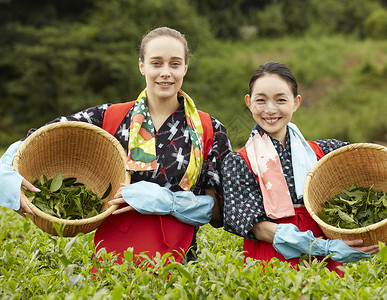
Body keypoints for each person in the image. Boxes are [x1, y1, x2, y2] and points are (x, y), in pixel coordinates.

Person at [0, 27, 231, 265]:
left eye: (174, 64)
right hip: (110, 260)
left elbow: (220, 207)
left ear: (185, 67)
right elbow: (42, 139)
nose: (165, 72)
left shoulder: (209, 129)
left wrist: (169, 203)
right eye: (156, 63)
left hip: (179, 261)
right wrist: (6, 170)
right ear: (142, 65)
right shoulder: (110, 117)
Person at [221, 61, 387, 276]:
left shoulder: (323, 151)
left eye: (281, 100)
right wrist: (324, 248)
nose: (270, 109)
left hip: (323, 263)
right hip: (271, 259)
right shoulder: (237, 161)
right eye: (261, 100)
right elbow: (258, 227)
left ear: (296, 102)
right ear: (249, 102)